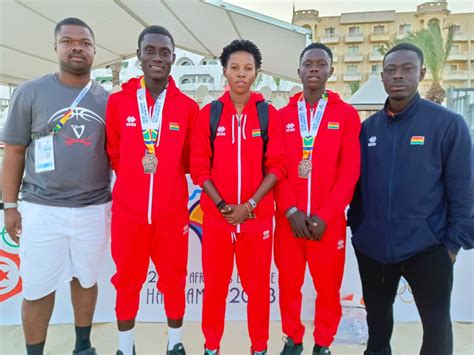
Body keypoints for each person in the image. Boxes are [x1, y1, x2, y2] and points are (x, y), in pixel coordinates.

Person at [348, 43, 474, 355]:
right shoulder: (367, 130)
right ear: (382, 76)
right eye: (391, 71)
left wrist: (452, 245)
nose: (398, 76)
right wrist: (359, 231)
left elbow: (464, 190)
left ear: (422, 73)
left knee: (436, 331)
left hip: (429, 249)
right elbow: (356, 186)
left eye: (406, 69)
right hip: (373, 248)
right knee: (377, 331)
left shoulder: (447, 124)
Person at [1, 17, 111, 355]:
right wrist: (10, 205)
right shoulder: (30, 91)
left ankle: (83, 346)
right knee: (36, 289)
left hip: (93, 208)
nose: (77, 47)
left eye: (85, 42)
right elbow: (15, 150)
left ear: (94, 50)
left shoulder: (108, 100)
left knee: (86, 281)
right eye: (68, 41)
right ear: (56, 47)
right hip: (42, 209)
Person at [105, 25, 199, 355]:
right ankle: (125, 347)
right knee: (127, 281)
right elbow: (114, 153)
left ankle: (175, 344)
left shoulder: (188, 107)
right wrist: (135, 179)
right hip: (128, 213)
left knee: (174, 279)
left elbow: (189, 159)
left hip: (171, 213)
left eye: (164, 52)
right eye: (150, 51)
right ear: (139, 55)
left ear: (173, 57)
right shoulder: (118, 103)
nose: (157, 57)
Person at [190, 39, 287, 355]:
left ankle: (259, 348)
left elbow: (277, 166)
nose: (241, 74)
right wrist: (221, 205)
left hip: (257, 222)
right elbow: (199, 167)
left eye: (247, 69)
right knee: (214, 291)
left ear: (256, 73)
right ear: (224, 72)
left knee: (258, 291)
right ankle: (211, 347)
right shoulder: (209, 114)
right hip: (217, 222)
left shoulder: (268, 114)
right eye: (235, 68)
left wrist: (250, 206)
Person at [273, 43, 361, 355]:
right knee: (288, 287)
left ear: (330, 71)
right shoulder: (282, 116)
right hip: (289, 223)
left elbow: (349, 172)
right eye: (307, 63)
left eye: (320, 64)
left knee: (327, 289)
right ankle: (293, 339)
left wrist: (325, 215)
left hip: (329, 223)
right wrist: (291, 209)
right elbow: (277, 169)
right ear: (298, 71)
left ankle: (322, 343)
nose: (313, 68)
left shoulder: (346, 115)